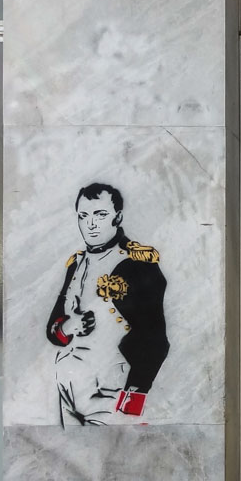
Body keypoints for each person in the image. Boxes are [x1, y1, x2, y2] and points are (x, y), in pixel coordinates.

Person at [47, 182, 169, 426]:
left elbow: (156, 340)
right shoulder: (75, 264)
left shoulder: (138, 264)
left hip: (111, 391)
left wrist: (131, 405)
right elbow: (53, 329)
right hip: (68, 386)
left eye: (100, 214)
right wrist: (68, 326)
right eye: (83, 216)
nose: (90, 224)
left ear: (118, 217)